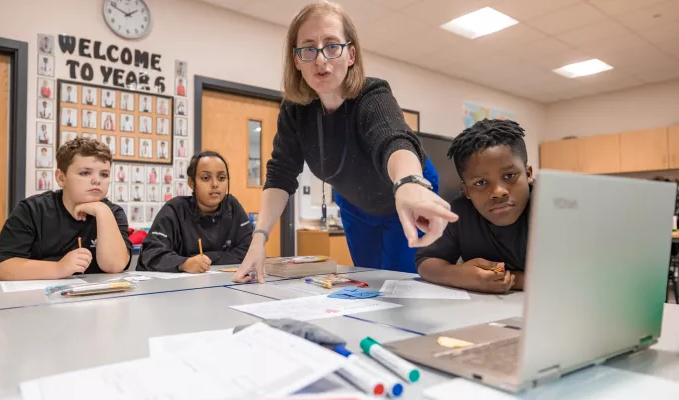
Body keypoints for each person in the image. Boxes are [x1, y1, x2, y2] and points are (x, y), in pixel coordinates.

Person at [233, 2, 453, 283]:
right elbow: (280, 174)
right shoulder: (295, 109)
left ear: (351, 54)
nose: (320, 60)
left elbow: (394, 139)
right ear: (297, 60)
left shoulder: (372, 94)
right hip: (356, 203)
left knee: (403, 283)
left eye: (332, 45)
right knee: (370, 279)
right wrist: (259, 239)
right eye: (309, 48)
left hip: (405, 193)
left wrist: (409, 182)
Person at [0, 138, 131, 281]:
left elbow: (114, 266)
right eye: (85, 173)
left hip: (92, 300)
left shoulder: (113, 213)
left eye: (104, 174)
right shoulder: (33, 209)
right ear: (61, 178)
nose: (97, 180)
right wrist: (59, 268)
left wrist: (102, 211)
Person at [416, 119, 532, 294]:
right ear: (466, 191)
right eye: (481, 183)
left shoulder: (553, 207)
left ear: (528, 174)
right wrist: (460, 276)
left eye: (509, 176)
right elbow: (425, 262)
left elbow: (570, 277)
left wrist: (508, 278)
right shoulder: (459, 212)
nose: (498, 192)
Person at [137, 151, 253, 273]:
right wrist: (184, 263)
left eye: (221, 178)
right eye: (206, 178)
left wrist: (208, 258)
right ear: (191, 182)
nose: (215, 184)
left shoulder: (232, 206)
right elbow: (149, 254)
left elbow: (250, 249)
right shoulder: (175, 209)